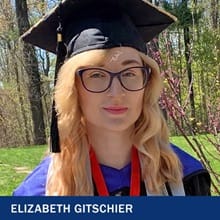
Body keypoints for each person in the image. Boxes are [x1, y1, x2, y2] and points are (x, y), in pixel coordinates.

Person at [13, 0, 210, 196]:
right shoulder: (40, 192)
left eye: (129, 73)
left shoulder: (185, 178)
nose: (116, 93)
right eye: (96, 75)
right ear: (73, 88)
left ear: (147, 83)